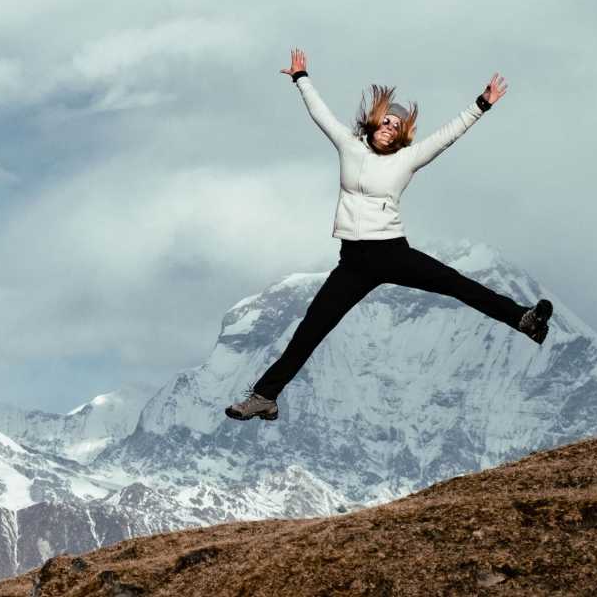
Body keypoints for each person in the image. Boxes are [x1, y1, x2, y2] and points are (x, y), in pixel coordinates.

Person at [224, 48, 552, 423]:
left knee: (455, 283)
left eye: (397, 126)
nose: (390, 128)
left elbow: (446, 136)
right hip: (353, 262)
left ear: (402, 135)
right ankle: (265, 396)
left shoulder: (405, 160)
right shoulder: (349, 146)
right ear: (374, 122)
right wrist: (302, 78)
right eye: (386, 122)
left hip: (392, 252)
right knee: (311, 329)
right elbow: (321, 114)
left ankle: (524, 320)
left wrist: (481, 105)